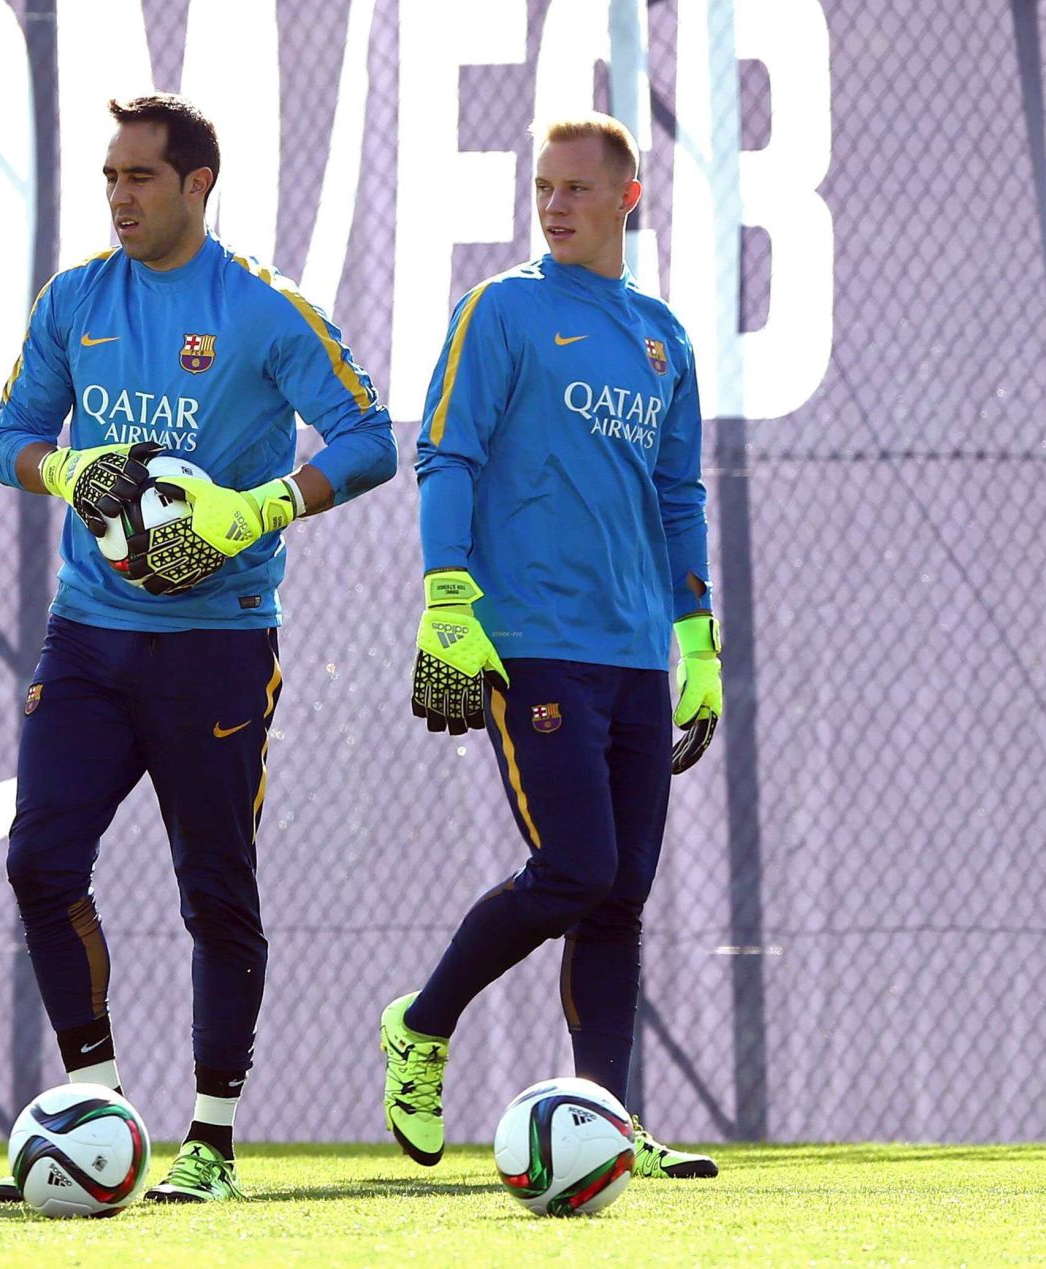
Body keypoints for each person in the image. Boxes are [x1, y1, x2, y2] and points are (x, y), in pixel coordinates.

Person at [0, 93, 395, 1203]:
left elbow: (370, 441)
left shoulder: (264, 312)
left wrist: (264, 506)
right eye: (110, 177)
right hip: (88, 637)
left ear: (196, 186)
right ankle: (96, 1113)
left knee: (215, 889)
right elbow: (8, 438)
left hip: (216, 646)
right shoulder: (76, 300)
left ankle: (211, 1140)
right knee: (38, 862)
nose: (118, 196)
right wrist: (64, 470)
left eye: (140, 179)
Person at [379, 112, 724, 1179]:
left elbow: (679, 496)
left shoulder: (661, 334)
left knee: (618, 896)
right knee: (576, 866)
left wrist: (699, 645)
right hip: (524, 640)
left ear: (628, 200)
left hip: (633, 655)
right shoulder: (503, 309)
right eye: (543, 188)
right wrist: (448, 594)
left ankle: (604, 1126)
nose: (555, 205)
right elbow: (447, 450)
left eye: (577, 189)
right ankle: (421, 1027)